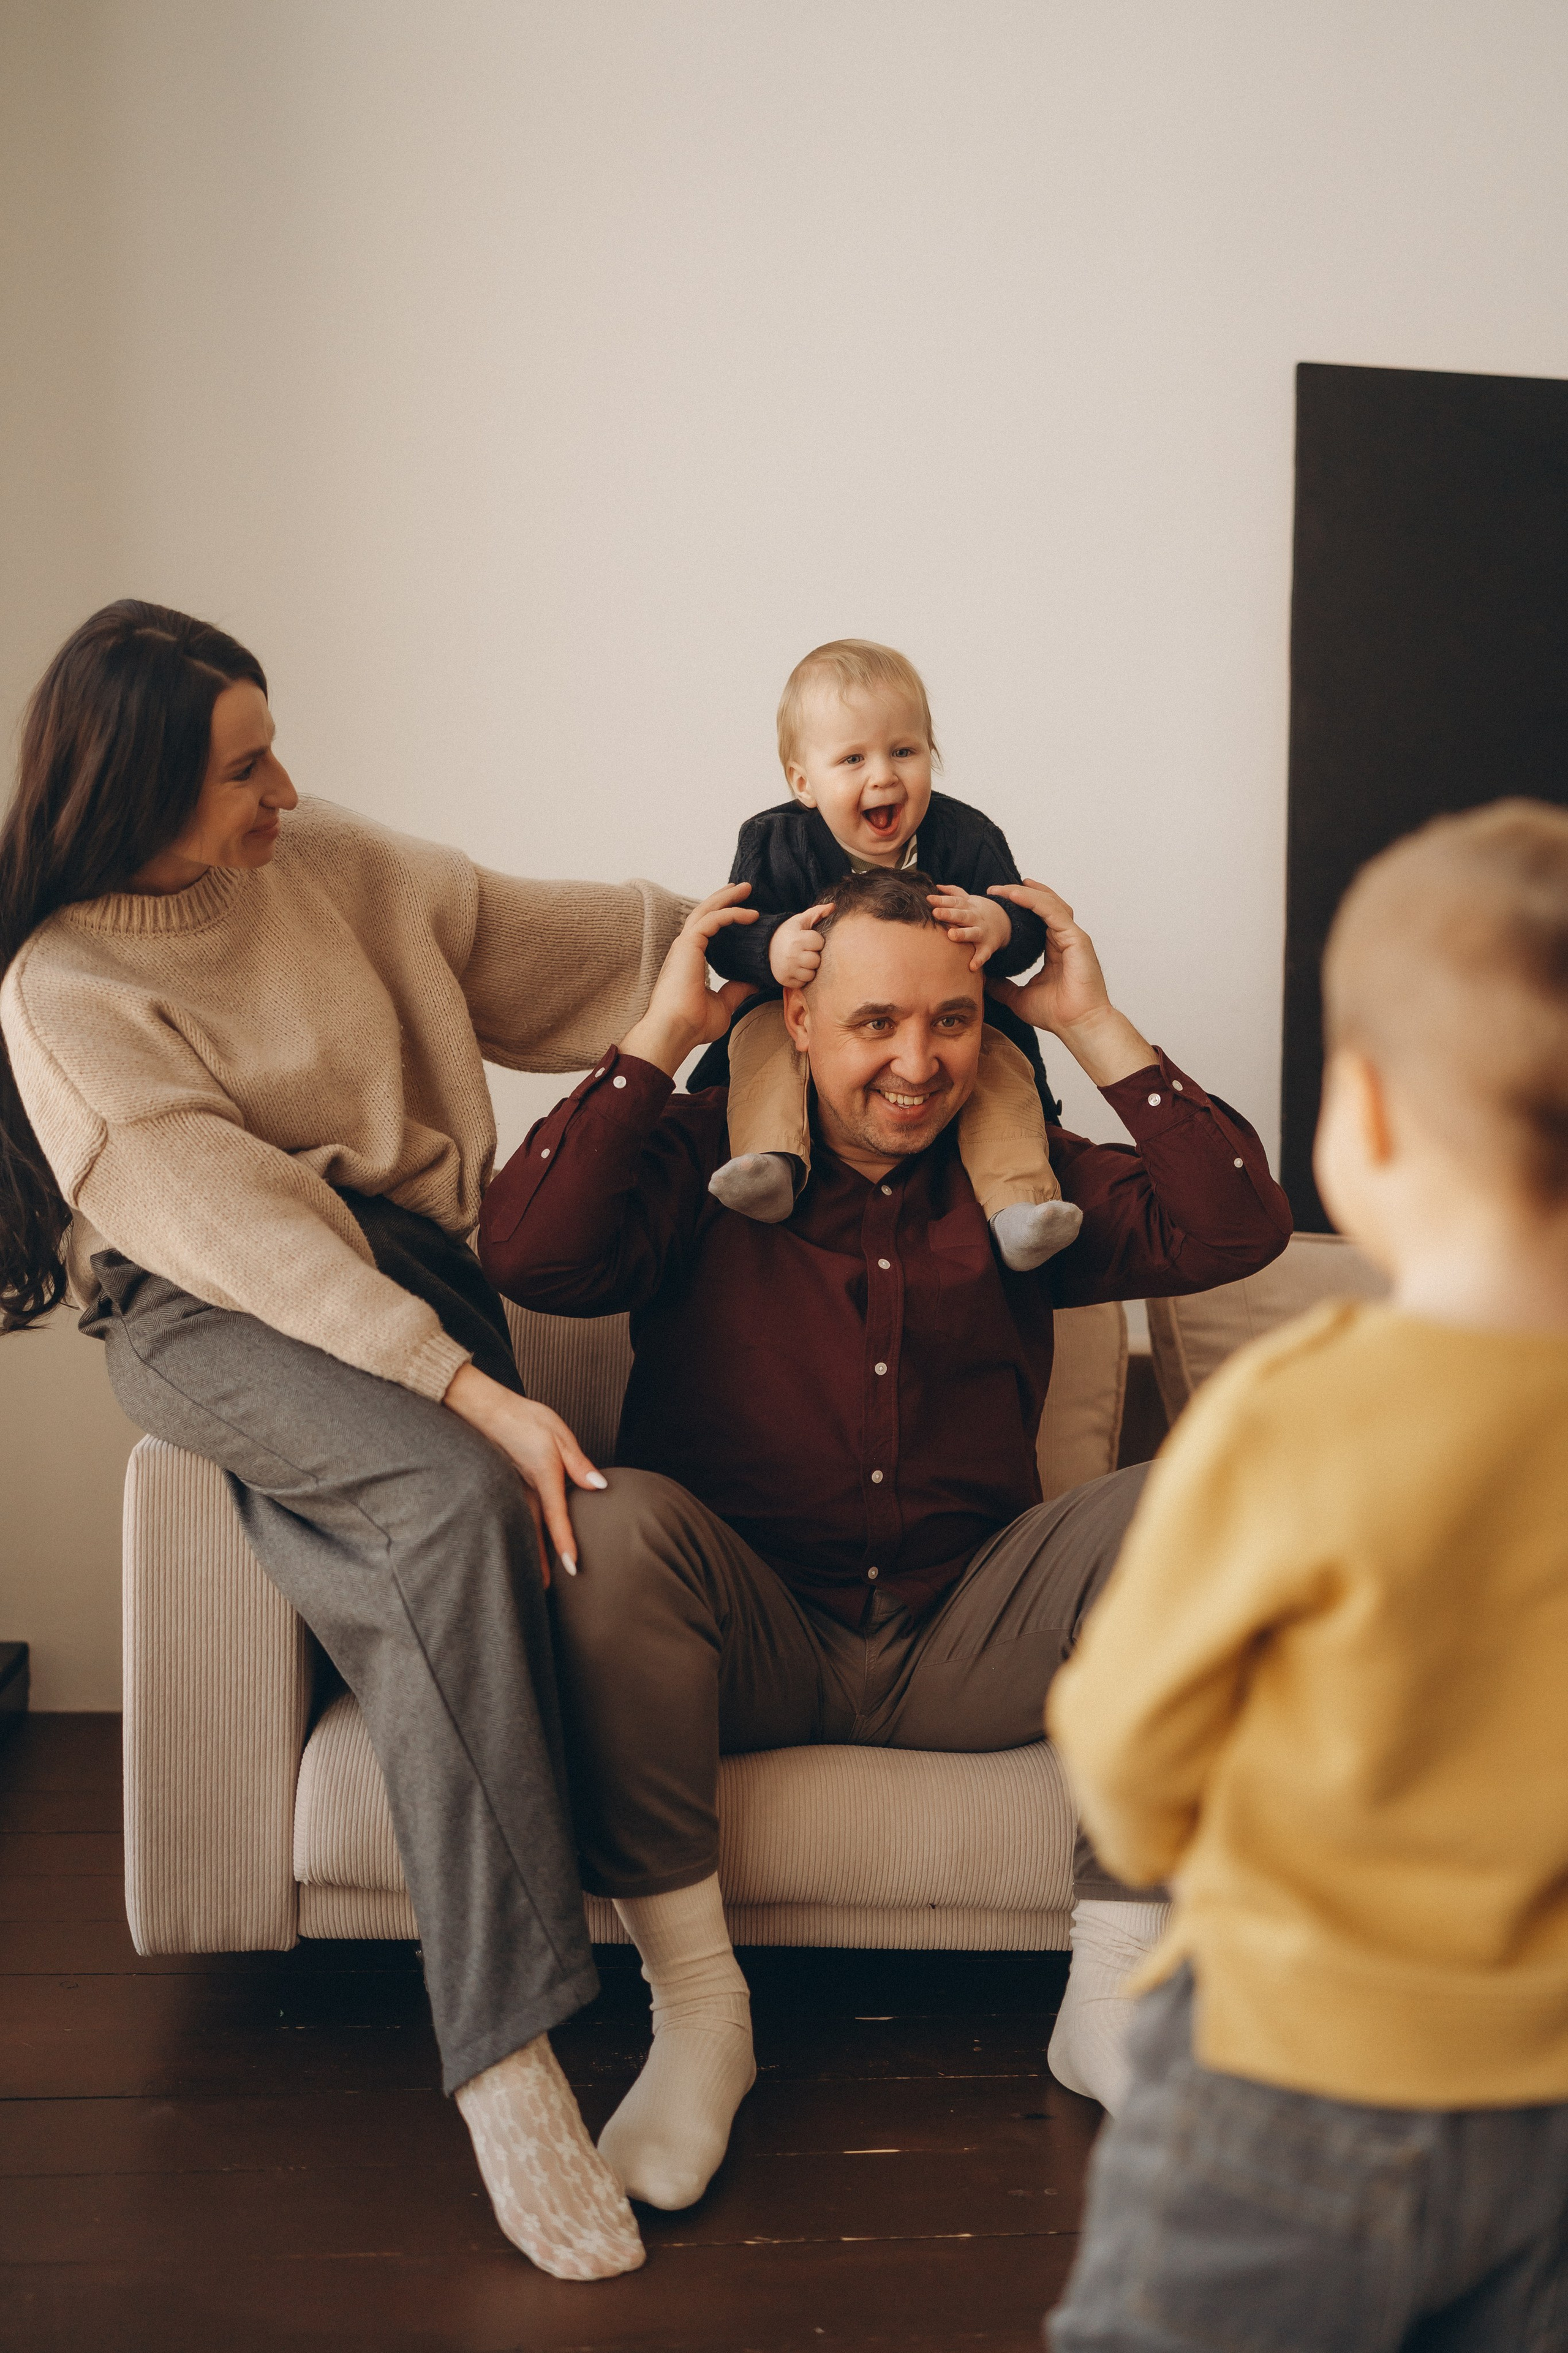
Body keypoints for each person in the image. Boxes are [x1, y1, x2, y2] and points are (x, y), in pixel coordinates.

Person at [0, 600, 695, 2281]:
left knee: (398, 1566)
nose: (285, 791)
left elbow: (574, 942)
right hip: (199, 1307)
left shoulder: (331, 869)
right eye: (245, 769)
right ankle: (506, 2062)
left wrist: (780, 922)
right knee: (459, 1498)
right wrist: (470, 1392)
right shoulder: (62, 989)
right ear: (138, 789)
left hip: (413, 1276)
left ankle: (508, 2037)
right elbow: (239, 1235)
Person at [477, 860, 1291, 2211]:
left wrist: (1090, 1021)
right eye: (873, 1024)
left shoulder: (1019, 1177)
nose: (917, 1063)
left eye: (952, 1022)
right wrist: (666, 1035)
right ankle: (697, 2015)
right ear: (798, 1020)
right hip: (748, 1635)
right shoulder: (698, 1160)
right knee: (610, 1519)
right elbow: (527, 1254)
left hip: (961, 1633)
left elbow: (1234, 1226)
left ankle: (1104, 2000)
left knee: (1194, 1489)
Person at [1046, 802, 1568, 2351]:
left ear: (1367, 1119)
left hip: (1290, 2073)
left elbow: (1127, 1736)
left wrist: (1166, 1843)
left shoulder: (1295, 1412)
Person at [695, 638, 1082, 1271]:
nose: (883, 775)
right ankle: (770, 1160)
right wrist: (771, 945)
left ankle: (1019, 1208)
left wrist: (1002, 925)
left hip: (955, 1024)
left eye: (904, 751)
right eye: (852, 758)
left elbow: (1030, 938)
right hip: (802, 1025)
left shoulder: (967, 837)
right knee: (761, 1040)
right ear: (803, 781)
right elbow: (726, 934)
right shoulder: (773, 841)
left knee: (1000, 1067)